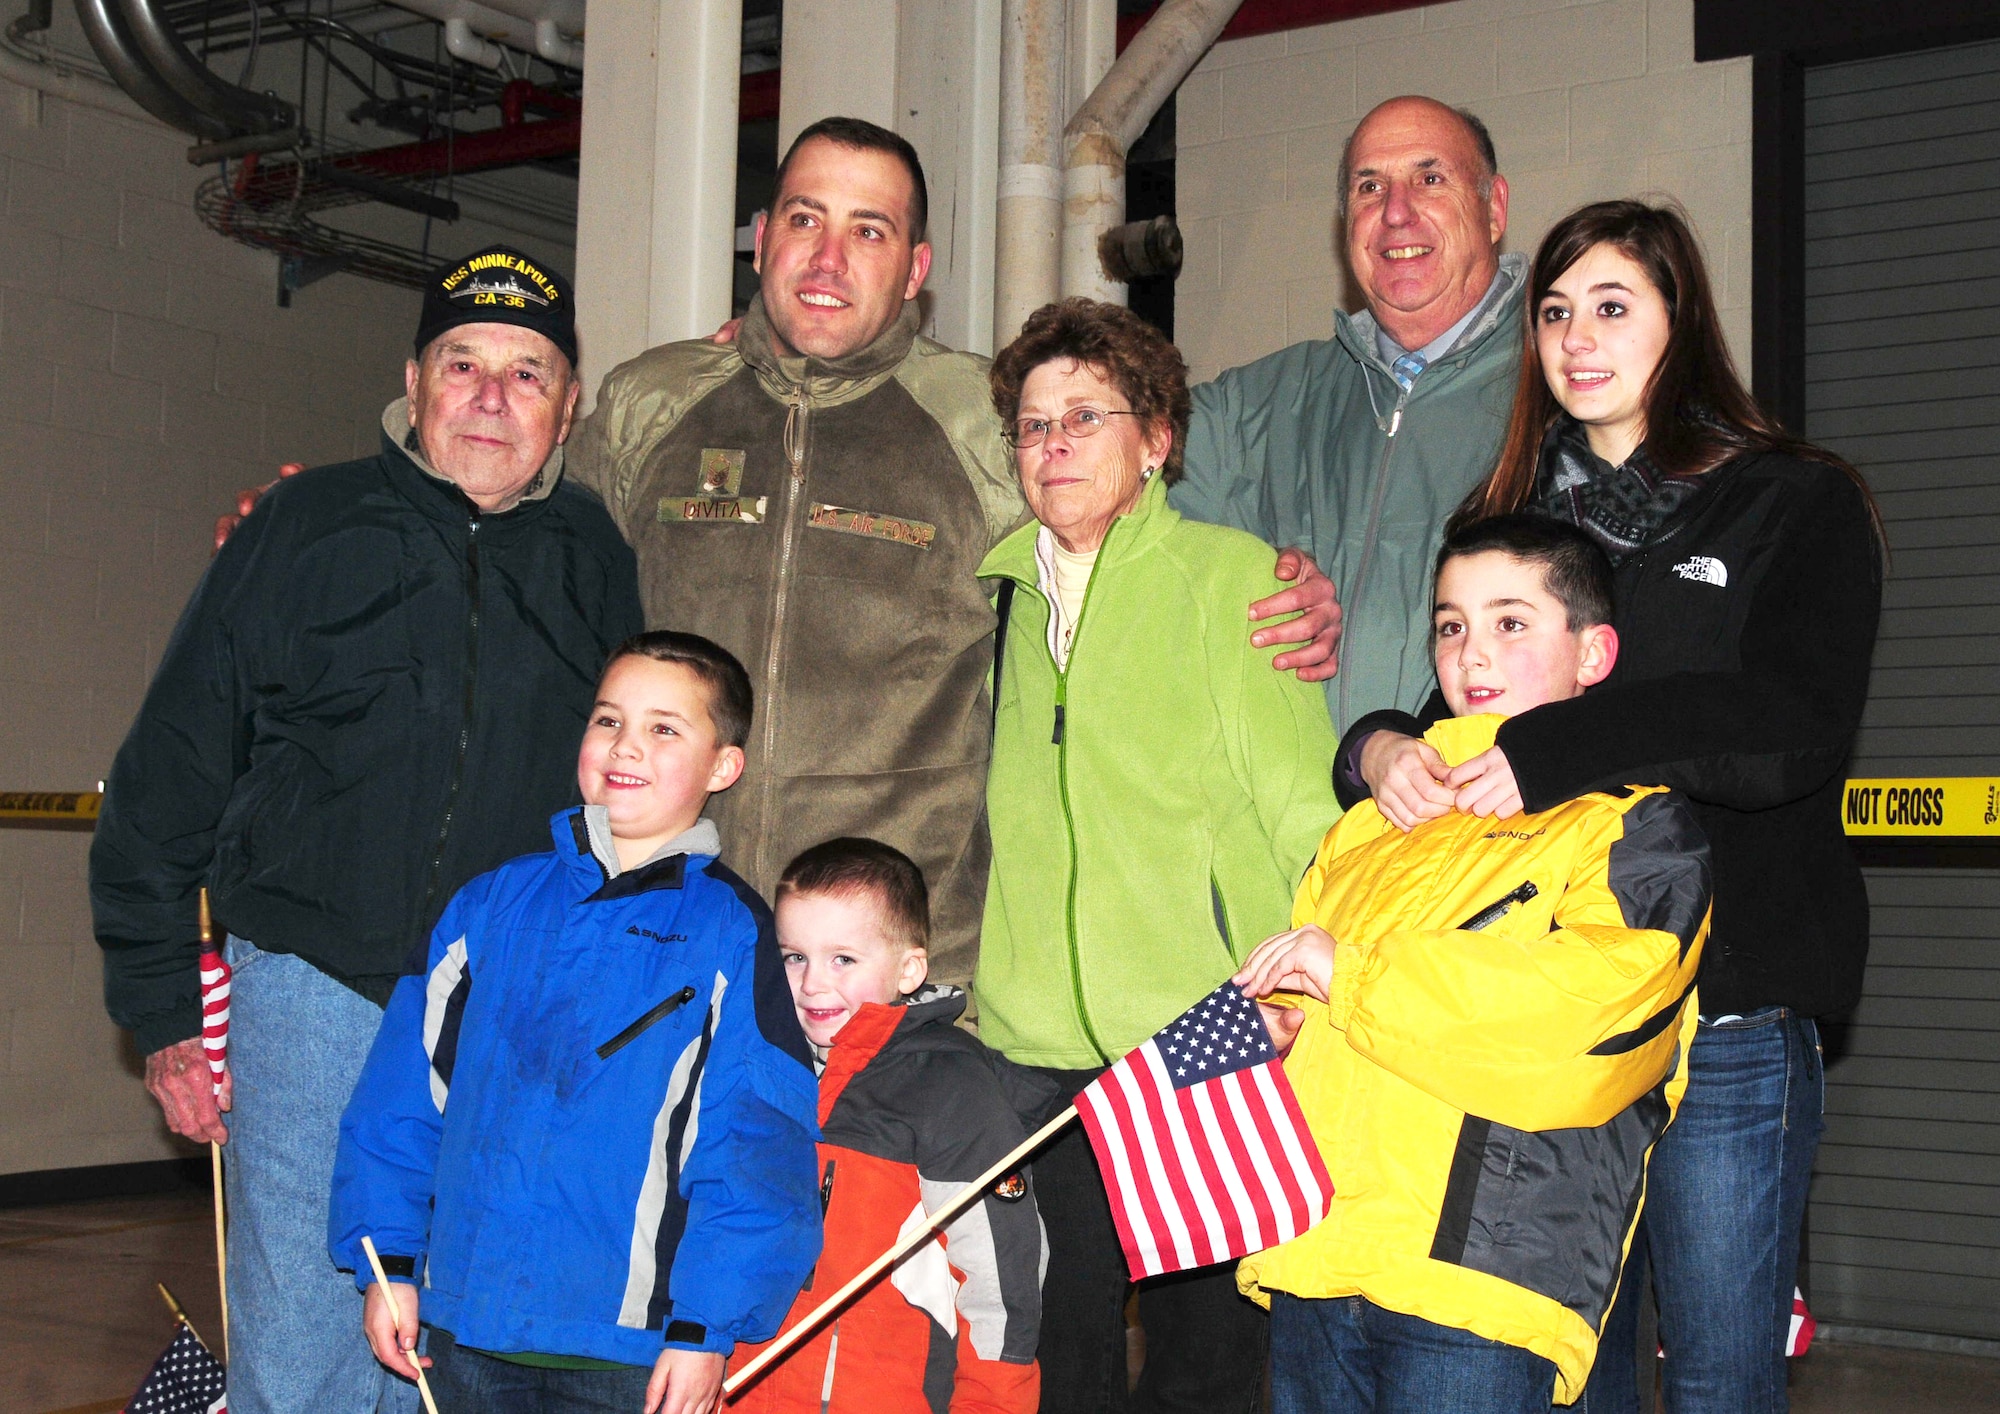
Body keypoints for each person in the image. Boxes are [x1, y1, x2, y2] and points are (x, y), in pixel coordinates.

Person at [1339, 200, 1884, 1414]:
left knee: (1712, 1383)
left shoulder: (1792, 502)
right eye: (1551, 313)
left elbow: (1788, 730)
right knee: (1555, 1372)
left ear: (1678, 320)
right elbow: (1457, 706)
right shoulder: (1516, 520)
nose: (1575, 339)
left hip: (1726, 1020)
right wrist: (1373, 747)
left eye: (1610, 306)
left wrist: (1560, 744)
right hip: (1553, 1016)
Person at [90, 247, 643, 1414]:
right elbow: (166, 777)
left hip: (504, 1017)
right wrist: (163, 1015)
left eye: (528, 372)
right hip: (314, 1000)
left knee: (456, 1345)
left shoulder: (595, 555)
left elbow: (634, 791)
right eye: (464, 364)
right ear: (413, 379)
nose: (492, 396)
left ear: (569, 406)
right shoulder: (302, 523)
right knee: (313, 1345)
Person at [1232, 515, 1711, 1412]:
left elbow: (1589, 1016)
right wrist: (1278, 1022)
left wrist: (1357, 976)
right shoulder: (1373, 826)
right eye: (1451, 626)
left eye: (1511, 623)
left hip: (1477, 1283)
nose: (1472, 655)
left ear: (1593, 654)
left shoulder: (1632, 826)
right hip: (1319, 1249)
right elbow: (1312, 1001)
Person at [974, 298, 1341, 1414]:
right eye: (1032, 426)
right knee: (1066, 1357)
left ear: (1156, 438)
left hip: (1197, 1040)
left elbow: (1299, 808)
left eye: (1084, 416)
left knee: (1204, 1365)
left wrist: (1292, 986)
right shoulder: (999, 594)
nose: (1053, 446)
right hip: (1036, 1051)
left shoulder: (1234, 581)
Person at [330, 631, 821, 1414]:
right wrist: (387, 1263)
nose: (626, 745)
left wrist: (706, 1327)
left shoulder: (731, 936)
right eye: (608, 721)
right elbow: (401, 1100)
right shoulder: (489, 907)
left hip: (629, 1355)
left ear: (724, 767)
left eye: (665, 728)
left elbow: (756, 1150)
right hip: (467, 1332)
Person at [1175, 94, 1525, 734]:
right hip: (1290, 822)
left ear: (1494, 208)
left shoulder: (1568, 387)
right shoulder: (1258, 404)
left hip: (1486, 819)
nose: (1396, 212)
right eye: (1370, 187)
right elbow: (1112, 499)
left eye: (1429, 178)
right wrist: (1252, 580)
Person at [728, 837, 1047, 1414]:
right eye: (794, 956)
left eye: (843, 959)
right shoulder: (758, 1066)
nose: (812, 983)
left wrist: (994, 1404)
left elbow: (1000, 1277)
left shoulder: (951, 1087)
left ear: (909, 970)